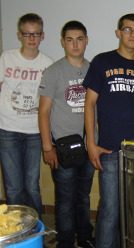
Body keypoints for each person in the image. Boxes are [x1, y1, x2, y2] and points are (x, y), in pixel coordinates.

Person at [83, 13, 134, 248]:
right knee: (109, 210)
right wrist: (91, 143)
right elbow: (89, 104)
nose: (132, 34)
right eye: (127, 29)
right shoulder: (102, 61)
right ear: (118, 33)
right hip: (109, 149)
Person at [38, 21, 95, 248]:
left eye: (79, 39)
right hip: (62, 149)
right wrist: (47, 147)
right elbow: (43, 112)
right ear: (62, 42)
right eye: (69, 39)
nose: (75, 44)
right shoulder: (53, 72)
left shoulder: (94, 69)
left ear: (86, 41)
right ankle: (64, 242)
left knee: (83, 197)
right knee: (64, 201)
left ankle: (84, 237)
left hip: (89, 146)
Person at [0, 13, 53, 218]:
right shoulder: (6, 57)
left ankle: (34, 231)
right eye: (27, 34)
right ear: (19, 35)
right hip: (7, 129)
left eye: (36, 34)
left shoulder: (47, 63)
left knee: (32, 187)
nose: (31, 38)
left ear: (42, 35)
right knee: (13, 188)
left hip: (34, 132)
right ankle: (17, 233)